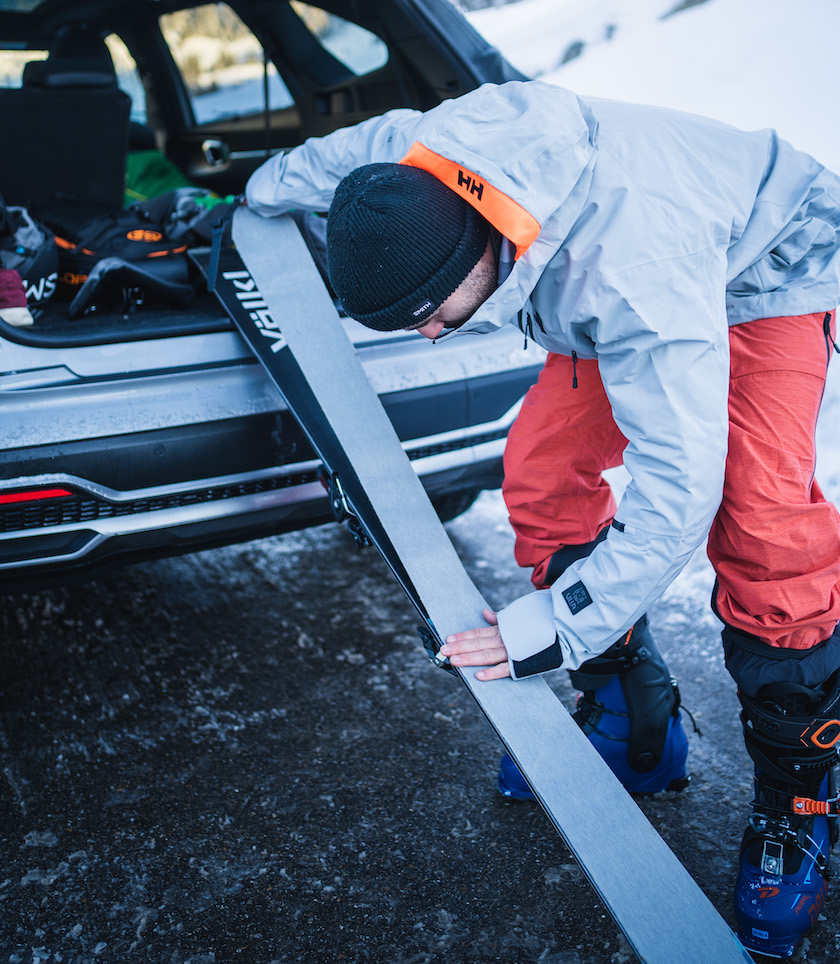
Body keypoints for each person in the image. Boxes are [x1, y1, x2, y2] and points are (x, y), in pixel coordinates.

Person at [246, 79, 840, 959]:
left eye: (430, 317)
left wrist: (556, 627)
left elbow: (680, 490)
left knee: (762, 522)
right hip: (614, 261)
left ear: (472, 257)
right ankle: (635, 723)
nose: (428, 338)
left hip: (765, 266)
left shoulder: (631, 277)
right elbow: (339, 156)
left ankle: (799, 801)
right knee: (542, 474)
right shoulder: (423, 157)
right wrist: (256, 193)